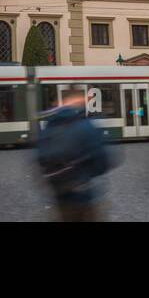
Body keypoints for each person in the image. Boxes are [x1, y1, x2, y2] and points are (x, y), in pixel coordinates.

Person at [36, 89, 112, 221]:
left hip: (59, 196)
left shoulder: (48, 126)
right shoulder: (86, 126)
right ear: (80, 102)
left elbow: (39, 158)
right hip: (84, 195)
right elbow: (102, 162)